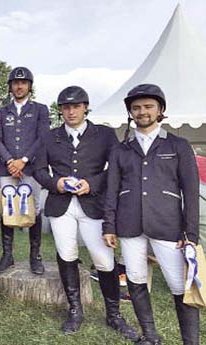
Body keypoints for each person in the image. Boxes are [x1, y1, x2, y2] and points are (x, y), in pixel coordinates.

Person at [34, 86, 137, 340]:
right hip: (61, 205)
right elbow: (38, 170)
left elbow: (114, 168)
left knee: (104, 260)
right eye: (66, 107)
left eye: (76, 106)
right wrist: (54, 183)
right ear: (61, 110)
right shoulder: (49, 137)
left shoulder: (104, 134)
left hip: (93, 204)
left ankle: (113, 314)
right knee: (66, 255)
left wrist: (93, 183)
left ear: (85, 107)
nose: (71, 111)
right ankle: (75, 310)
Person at [103, 84, 200, 345]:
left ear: (160, 110)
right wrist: (108, 226)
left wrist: (191, 234)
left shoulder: (178, 145)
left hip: (168, 226)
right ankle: (150, 335)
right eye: (136, 108)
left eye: (148, 106)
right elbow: (111, 190)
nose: (142, 112)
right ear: (130, 113)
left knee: (180, 287)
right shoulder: (121, 149)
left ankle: (190, 342)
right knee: (135, 280)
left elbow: (190, 193)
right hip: (129, 224)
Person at [0, 66, 50, 274]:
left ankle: (35, 256)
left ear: (29, 86)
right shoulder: (0, 112)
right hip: (7, 169)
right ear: (10, 87)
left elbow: (42, 137)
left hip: (31, 168)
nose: (19, 86)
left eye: (23, 83)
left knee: (34, 210)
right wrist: (10, 161)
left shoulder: (40, 110)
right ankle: (8, 255)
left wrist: (23, 161)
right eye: (15, 83)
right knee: (7, 209)